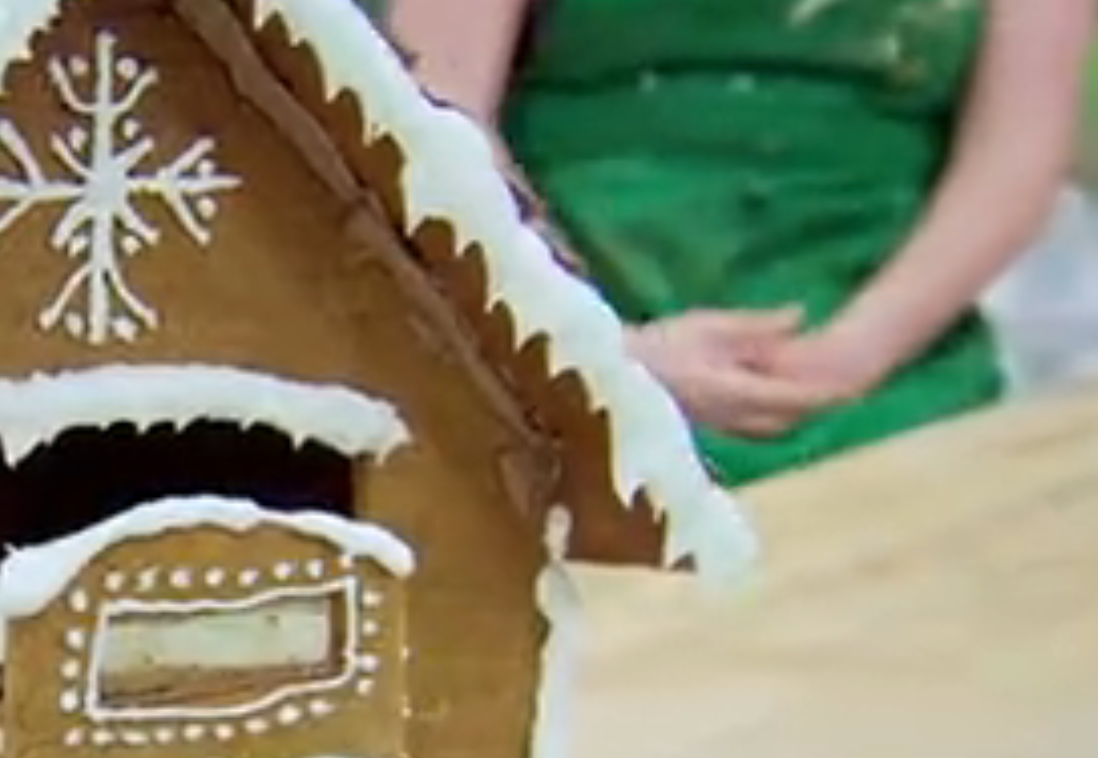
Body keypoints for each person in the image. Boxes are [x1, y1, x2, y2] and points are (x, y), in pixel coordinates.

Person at [387, 0, 1096, 485]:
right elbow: (435, 129)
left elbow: (1015, 157)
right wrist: (600, 353)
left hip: (893, 378)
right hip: (558, 365)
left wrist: (852, 354)